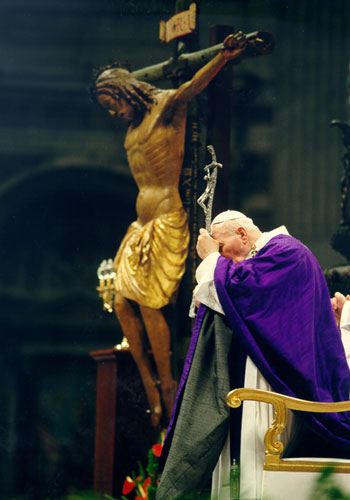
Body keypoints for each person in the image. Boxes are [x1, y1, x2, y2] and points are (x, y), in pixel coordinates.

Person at [89, 34, 249, 427]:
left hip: (165, 219)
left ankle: (168, 382)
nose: (113, 114)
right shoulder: (134, 126)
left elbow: (190, 87)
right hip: (139, 225)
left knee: (146, 302)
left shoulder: (164, 108)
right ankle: (149, 382)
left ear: (126, 91)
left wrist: (222, 57)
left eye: (113, 105)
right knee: (122, 303)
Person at [157, 210, 350, 500]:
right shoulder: (268, 256)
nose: (223, 256)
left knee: (254, 464)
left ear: (243, 235)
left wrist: (210, 259)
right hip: (260, 382)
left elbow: (241, 289)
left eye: (223, 247)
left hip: (270, 391)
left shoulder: (287, 252)